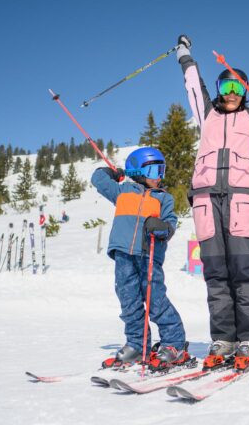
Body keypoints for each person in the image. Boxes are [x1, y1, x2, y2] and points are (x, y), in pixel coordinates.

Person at [176, 33, 249, 370]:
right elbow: (193, 85)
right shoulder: (205, 116)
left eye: (238, 90)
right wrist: (185, 54)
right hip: (206, 203)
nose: (230, 95)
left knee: (244, 272)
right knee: (215, 274)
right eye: (225, 88)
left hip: (240, 203)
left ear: (245, 94)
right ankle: (224, 339)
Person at [90, 147, 189, 371]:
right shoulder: (122, 191)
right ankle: (137, 345)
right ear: (138, 171)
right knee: (129, 302)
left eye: (161, 170)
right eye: (154, 170)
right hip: (124, 255)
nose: (159, 176)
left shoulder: (164, 198)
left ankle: (173, 344)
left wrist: (162, 227)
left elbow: (171, 224)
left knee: (156, 301)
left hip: (149, 255)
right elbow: (97, 179)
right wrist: (115, 173)